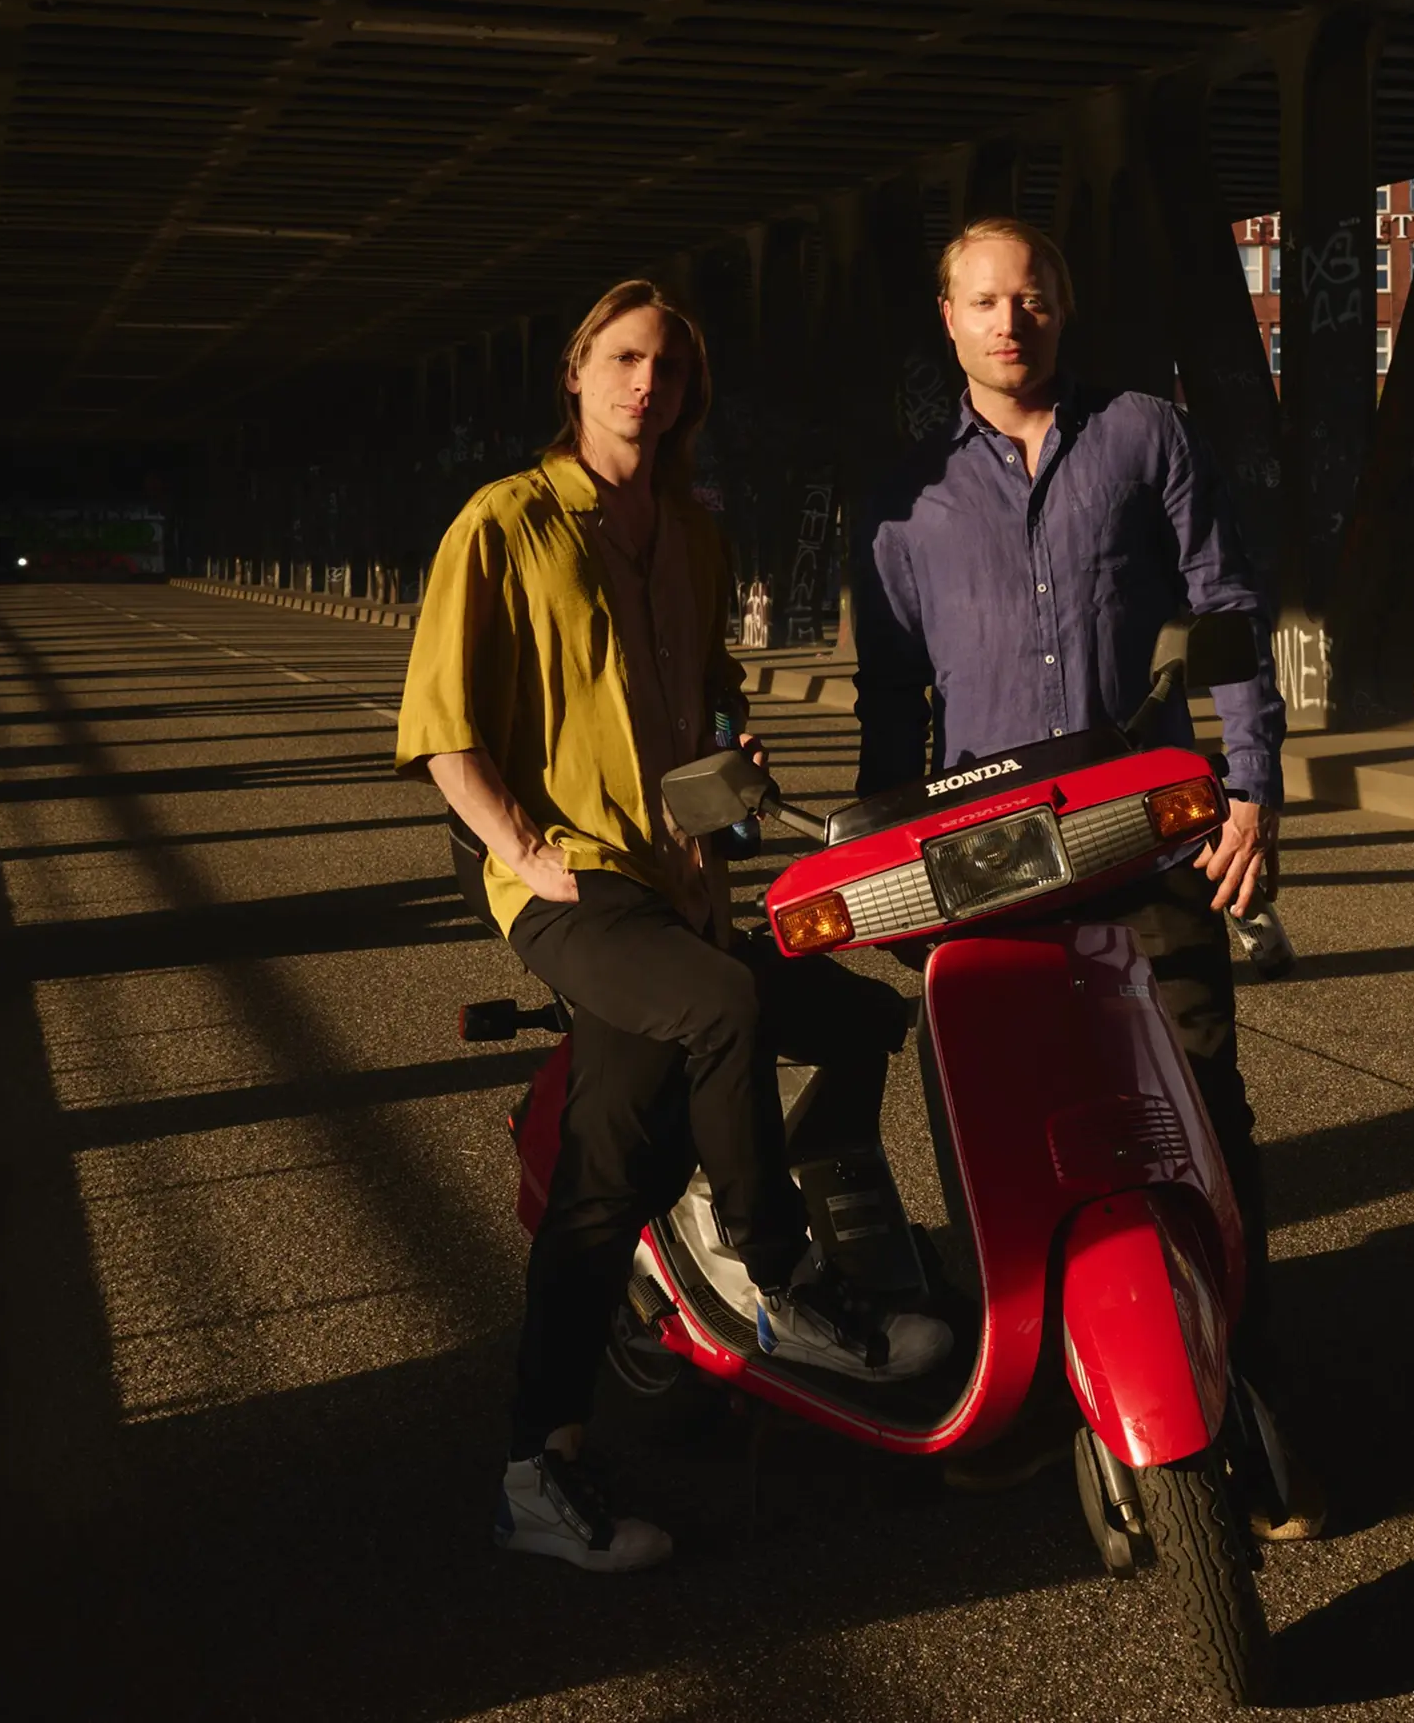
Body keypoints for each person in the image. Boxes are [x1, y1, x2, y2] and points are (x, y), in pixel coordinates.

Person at [397, 279, 950, 1576]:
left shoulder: (694, 534)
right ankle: (776, 1277)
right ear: (577, 370)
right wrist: (523, 854)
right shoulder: (505, 524)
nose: (650, 385)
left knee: (855, 1017)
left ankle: (555, 1453)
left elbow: (702, 698)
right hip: (578, 892)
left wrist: (727, 754)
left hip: (685, 881)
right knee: (725, 1011)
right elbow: (439, 727)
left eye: (671, 370)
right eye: (626, 359)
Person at [853, 218, 1321, 1538]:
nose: (1014, 322)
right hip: (988, 867)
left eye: (1035, 297)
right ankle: (1035, 1396)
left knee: (1202, 1116)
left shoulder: (1145, 436)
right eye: (987, 302)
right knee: (998, 1138)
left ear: (1067, 305)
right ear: (946, 318)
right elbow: (893, 715)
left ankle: (1254, 1391)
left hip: (1143, 831)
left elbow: (1225, 601)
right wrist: (888, 877)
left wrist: (1254, 785)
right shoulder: (903, 502)